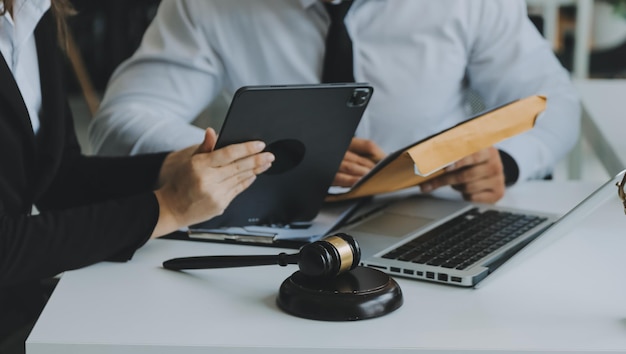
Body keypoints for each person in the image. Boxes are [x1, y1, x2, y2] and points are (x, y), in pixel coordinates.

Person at [89, 0, 581, 204]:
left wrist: (509, 162)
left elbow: (554, 101)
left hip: (428, 211)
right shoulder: (209, 4)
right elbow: (116, 123)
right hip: (268, 219)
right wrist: (258, 155)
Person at [0, 0, 274, 352]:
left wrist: (169, 167)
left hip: (25, 304)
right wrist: (169, 207)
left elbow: (58, 177)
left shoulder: (33, 14)